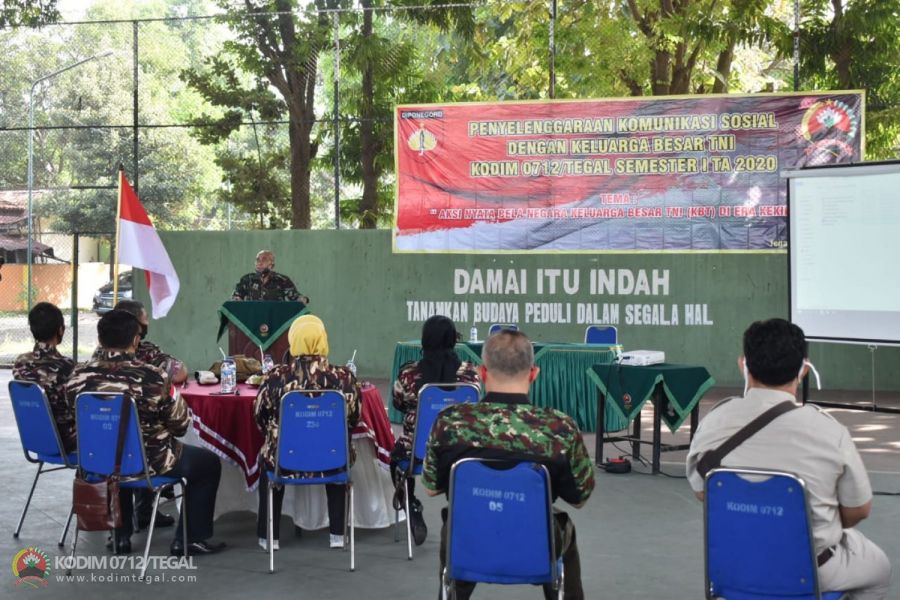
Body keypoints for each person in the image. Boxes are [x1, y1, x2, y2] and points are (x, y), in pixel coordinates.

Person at [686, 318, 891, 600]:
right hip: (809, 570)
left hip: (734, 567)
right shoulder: (829, 431)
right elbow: (859, 510)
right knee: (879, 569)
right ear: (804, 370)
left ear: (743, 364)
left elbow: (702, 492)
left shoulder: (714, 421)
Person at [422, 330, 594, 600]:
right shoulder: (559, 428)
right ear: (533, 373)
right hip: (536, 545)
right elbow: (579, 498)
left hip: (468, 542)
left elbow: (431, 488)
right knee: (563, 528)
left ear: (482, 372)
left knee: (458, 524)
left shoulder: (450, 422)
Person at [66, 310, 226, 557]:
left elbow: (74, 418)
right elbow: (181, 424)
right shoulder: (152, 376)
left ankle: (120, 536)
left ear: (100, 340)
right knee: (207, 463)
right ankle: (189, 540)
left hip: (96, 460)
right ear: (135, 340)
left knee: (117, 456)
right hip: (151, 461)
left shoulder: (78, 376)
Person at [253, 314, 360, 550]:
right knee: (336, 446)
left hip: (284, 460)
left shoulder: (275, 378)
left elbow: (259, 417)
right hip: (332, 459)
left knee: (270, 454)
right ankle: (338, 535)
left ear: (293, 341)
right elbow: (353, 419)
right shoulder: (344, 379)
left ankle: (268, 536)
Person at [391, 315, 479, 545]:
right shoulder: (470, 375)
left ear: (424, 340)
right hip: (461, 452)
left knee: (394, 458)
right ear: (453, 339)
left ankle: (410, 503)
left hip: (416, 454)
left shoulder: (408, 374)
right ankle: (456, 512)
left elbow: (398, 404)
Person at [113, 299, 186, 530]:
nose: (147, 325)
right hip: (147, 454)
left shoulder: (87, 369)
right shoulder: (148, 360)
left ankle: (119, 533)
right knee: (151, 434)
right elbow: (180, 374)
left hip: (101, 452)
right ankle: (147, 514)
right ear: (135, 331)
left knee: (120, 446)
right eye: (144, 321)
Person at [13, 302, 76, 453]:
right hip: (64, 440)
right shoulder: (66, 366)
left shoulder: (20, 362)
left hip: (34, 437)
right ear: (60, 330)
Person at [232, 250, 309, 304]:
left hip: (276, 320)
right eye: (257, 260)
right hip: (252, 320)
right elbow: (236, 296)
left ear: (272, 265)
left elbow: (294, 297)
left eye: (264, 260)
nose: (260, 263)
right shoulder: (247, 279)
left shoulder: (282, 280)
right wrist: (237, 299)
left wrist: (302, 299)